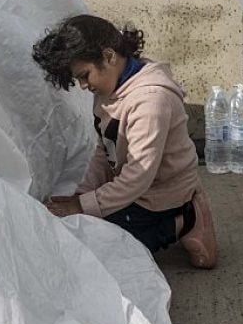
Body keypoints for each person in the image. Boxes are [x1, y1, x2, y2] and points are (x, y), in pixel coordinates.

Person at [32, 14, 217, 269]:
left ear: (109, 56)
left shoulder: (151, 100)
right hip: (135, 189)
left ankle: (186, 218)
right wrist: (81, 194)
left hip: (161, 195)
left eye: (85, 75)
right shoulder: (110, 88)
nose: (83, 85)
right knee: (79, 234)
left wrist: (82, 205)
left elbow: (138, 177)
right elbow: (104, 150)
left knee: (110, 249)